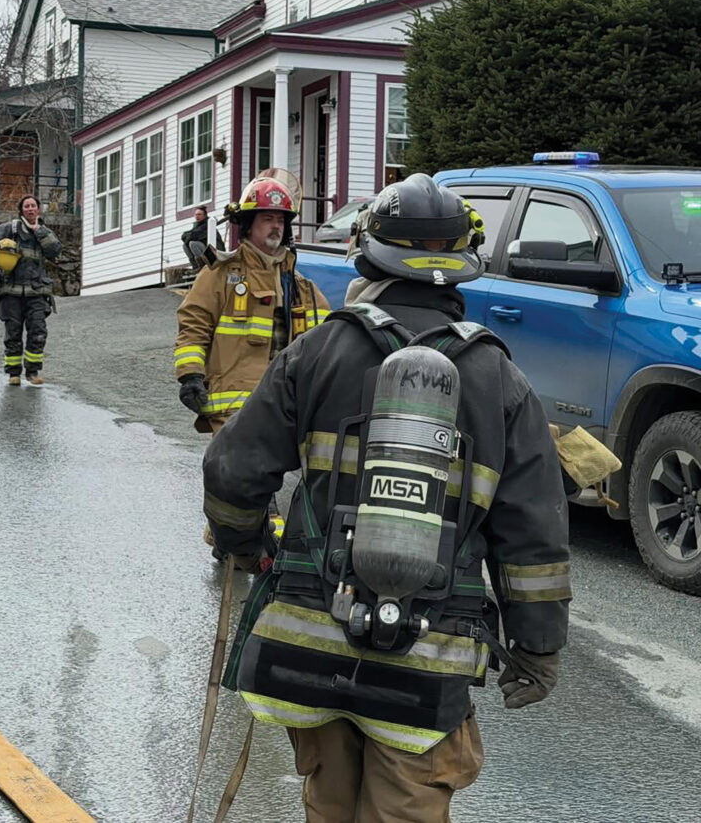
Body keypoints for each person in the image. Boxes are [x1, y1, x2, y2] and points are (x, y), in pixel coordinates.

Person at [203, 173, 570, 821]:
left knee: (330, 807)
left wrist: (248, 545)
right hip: (425, 668)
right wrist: (538, 649)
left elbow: (233, 471)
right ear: (462, 264)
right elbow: (533, 535)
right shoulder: (500, 380)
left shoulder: (315, 352)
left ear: (367, 252)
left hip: (310, 647)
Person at [175, 172, 329, 436]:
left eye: (280, 220)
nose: (275, 226)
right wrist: (190, 376)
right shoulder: (220, 274)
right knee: (233, 476)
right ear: (248, 224)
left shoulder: (300, 286)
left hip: (284, 408)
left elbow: (326, 342)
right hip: (233, 410)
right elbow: (193, 327)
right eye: (267, 218)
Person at [0, 194, 61, 386]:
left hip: (37, 291)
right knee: (13, 332)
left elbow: (55, 251)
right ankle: (13, 373)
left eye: (33, 206)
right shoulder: (9, 229)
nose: (30, 209)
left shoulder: (45, 232)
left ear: (38, 209)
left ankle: (32, 372)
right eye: (26, 206)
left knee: (38, 331)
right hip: (11, 291)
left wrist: (39, 231)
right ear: (21, 210)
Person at [181, 204, 226, 271]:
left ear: (204, 215)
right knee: (185, 245)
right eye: (196, 214)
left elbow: (194, 235)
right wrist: (187, 237)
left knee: (192, 243)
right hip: (206, 250)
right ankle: (195, 266)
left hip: (215, 253)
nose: (197, 216)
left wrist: (188, 237)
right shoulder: (197, 225)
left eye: (199, 214)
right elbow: (185, 235)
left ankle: (202, 264)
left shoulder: (207, 224)